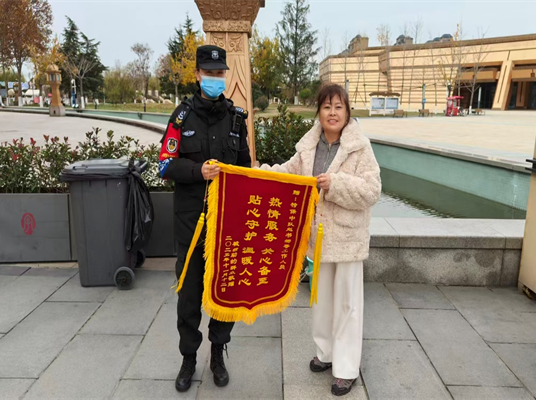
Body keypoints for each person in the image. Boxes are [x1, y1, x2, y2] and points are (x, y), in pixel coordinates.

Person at [259, 84, 381, 396]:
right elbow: (286, 175)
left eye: (339, 107)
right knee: (322, 301)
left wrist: (335, 184)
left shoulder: (360, 148)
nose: (332, 113)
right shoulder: (309, 147)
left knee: (348, 305)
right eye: (327, 107)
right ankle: (325, 353)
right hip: (320, 239)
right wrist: (254, 173)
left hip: (348, 240)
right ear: (319, 111)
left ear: (347, 112)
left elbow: (372, 191)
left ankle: (346, 369)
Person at [158, 45, 251, 393]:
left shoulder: (237, 119)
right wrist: (198, 170)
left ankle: (217, 354)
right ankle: (188, 358)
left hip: (225, 226)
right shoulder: (181, 118)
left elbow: (246, 170)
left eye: (219, 73)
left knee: (224, 293)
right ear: (197, 75)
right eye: (209, 73)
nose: (215, 78)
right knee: (189, 296)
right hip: (191, 225)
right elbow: (164, 165)